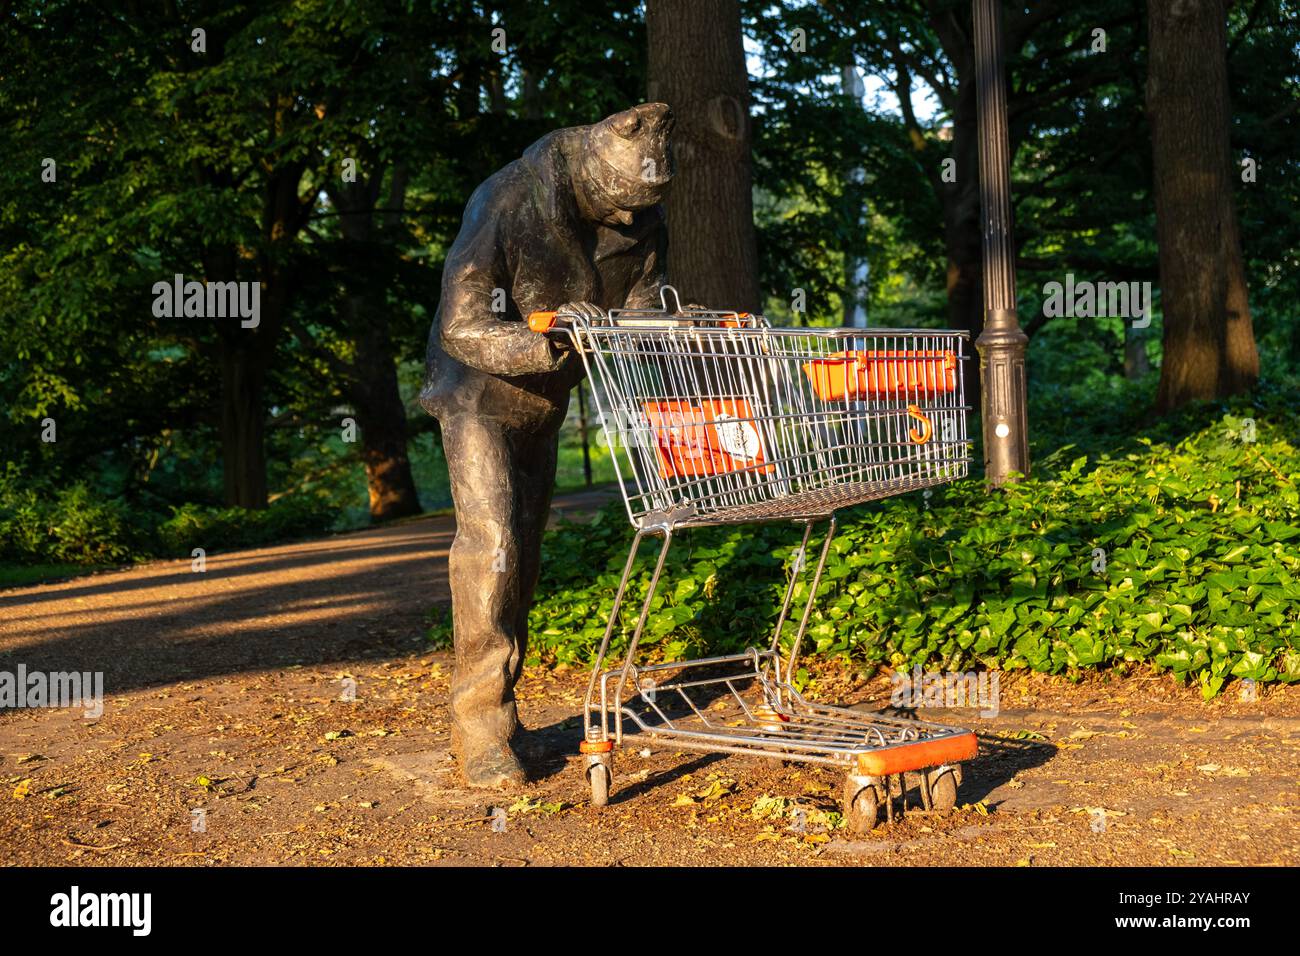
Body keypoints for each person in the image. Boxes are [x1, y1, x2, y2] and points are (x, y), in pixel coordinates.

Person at [420, 103, 675, 787]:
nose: (630, 220)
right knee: (493, 545)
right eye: (620, 204)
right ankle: (480, 730)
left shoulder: (641, 213)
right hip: (478, 393)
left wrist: (664, 327)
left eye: (643, 206)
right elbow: (461, 325)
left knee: (523, 559)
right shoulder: (508, 198)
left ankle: (506, 713)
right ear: (589, 169)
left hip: (544, 402)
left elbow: (644, 308)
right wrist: (552, 337)